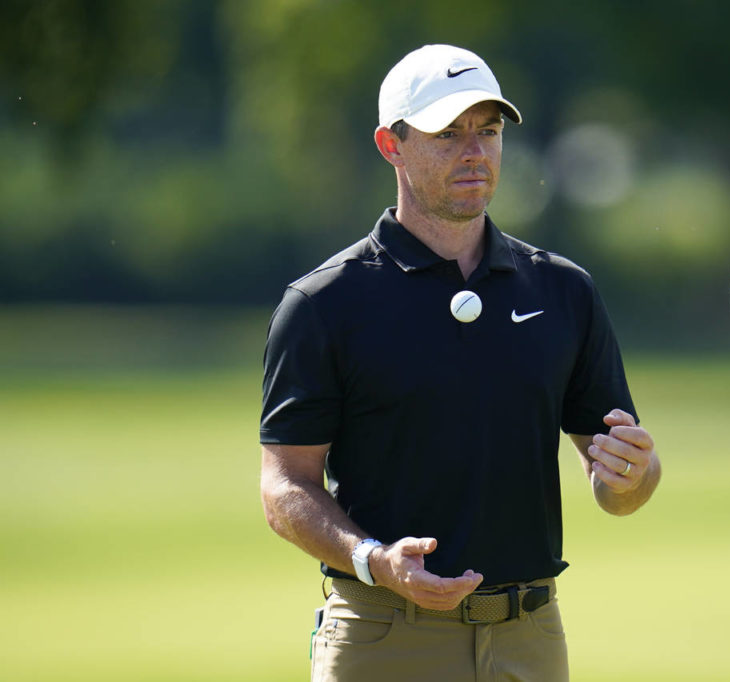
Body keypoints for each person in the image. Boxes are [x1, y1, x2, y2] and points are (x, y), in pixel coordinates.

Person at [260, 44, 662, 681]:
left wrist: (636, 473)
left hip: (530, 640)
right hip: (384, 637)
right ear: (391, 145)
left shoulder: (562, 290)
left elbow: (616, 486)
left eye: (489, 131)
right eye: (447, 134)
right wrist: (373, 559)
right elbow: (284, 486)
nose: (475, 152)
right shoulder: (324, 304)